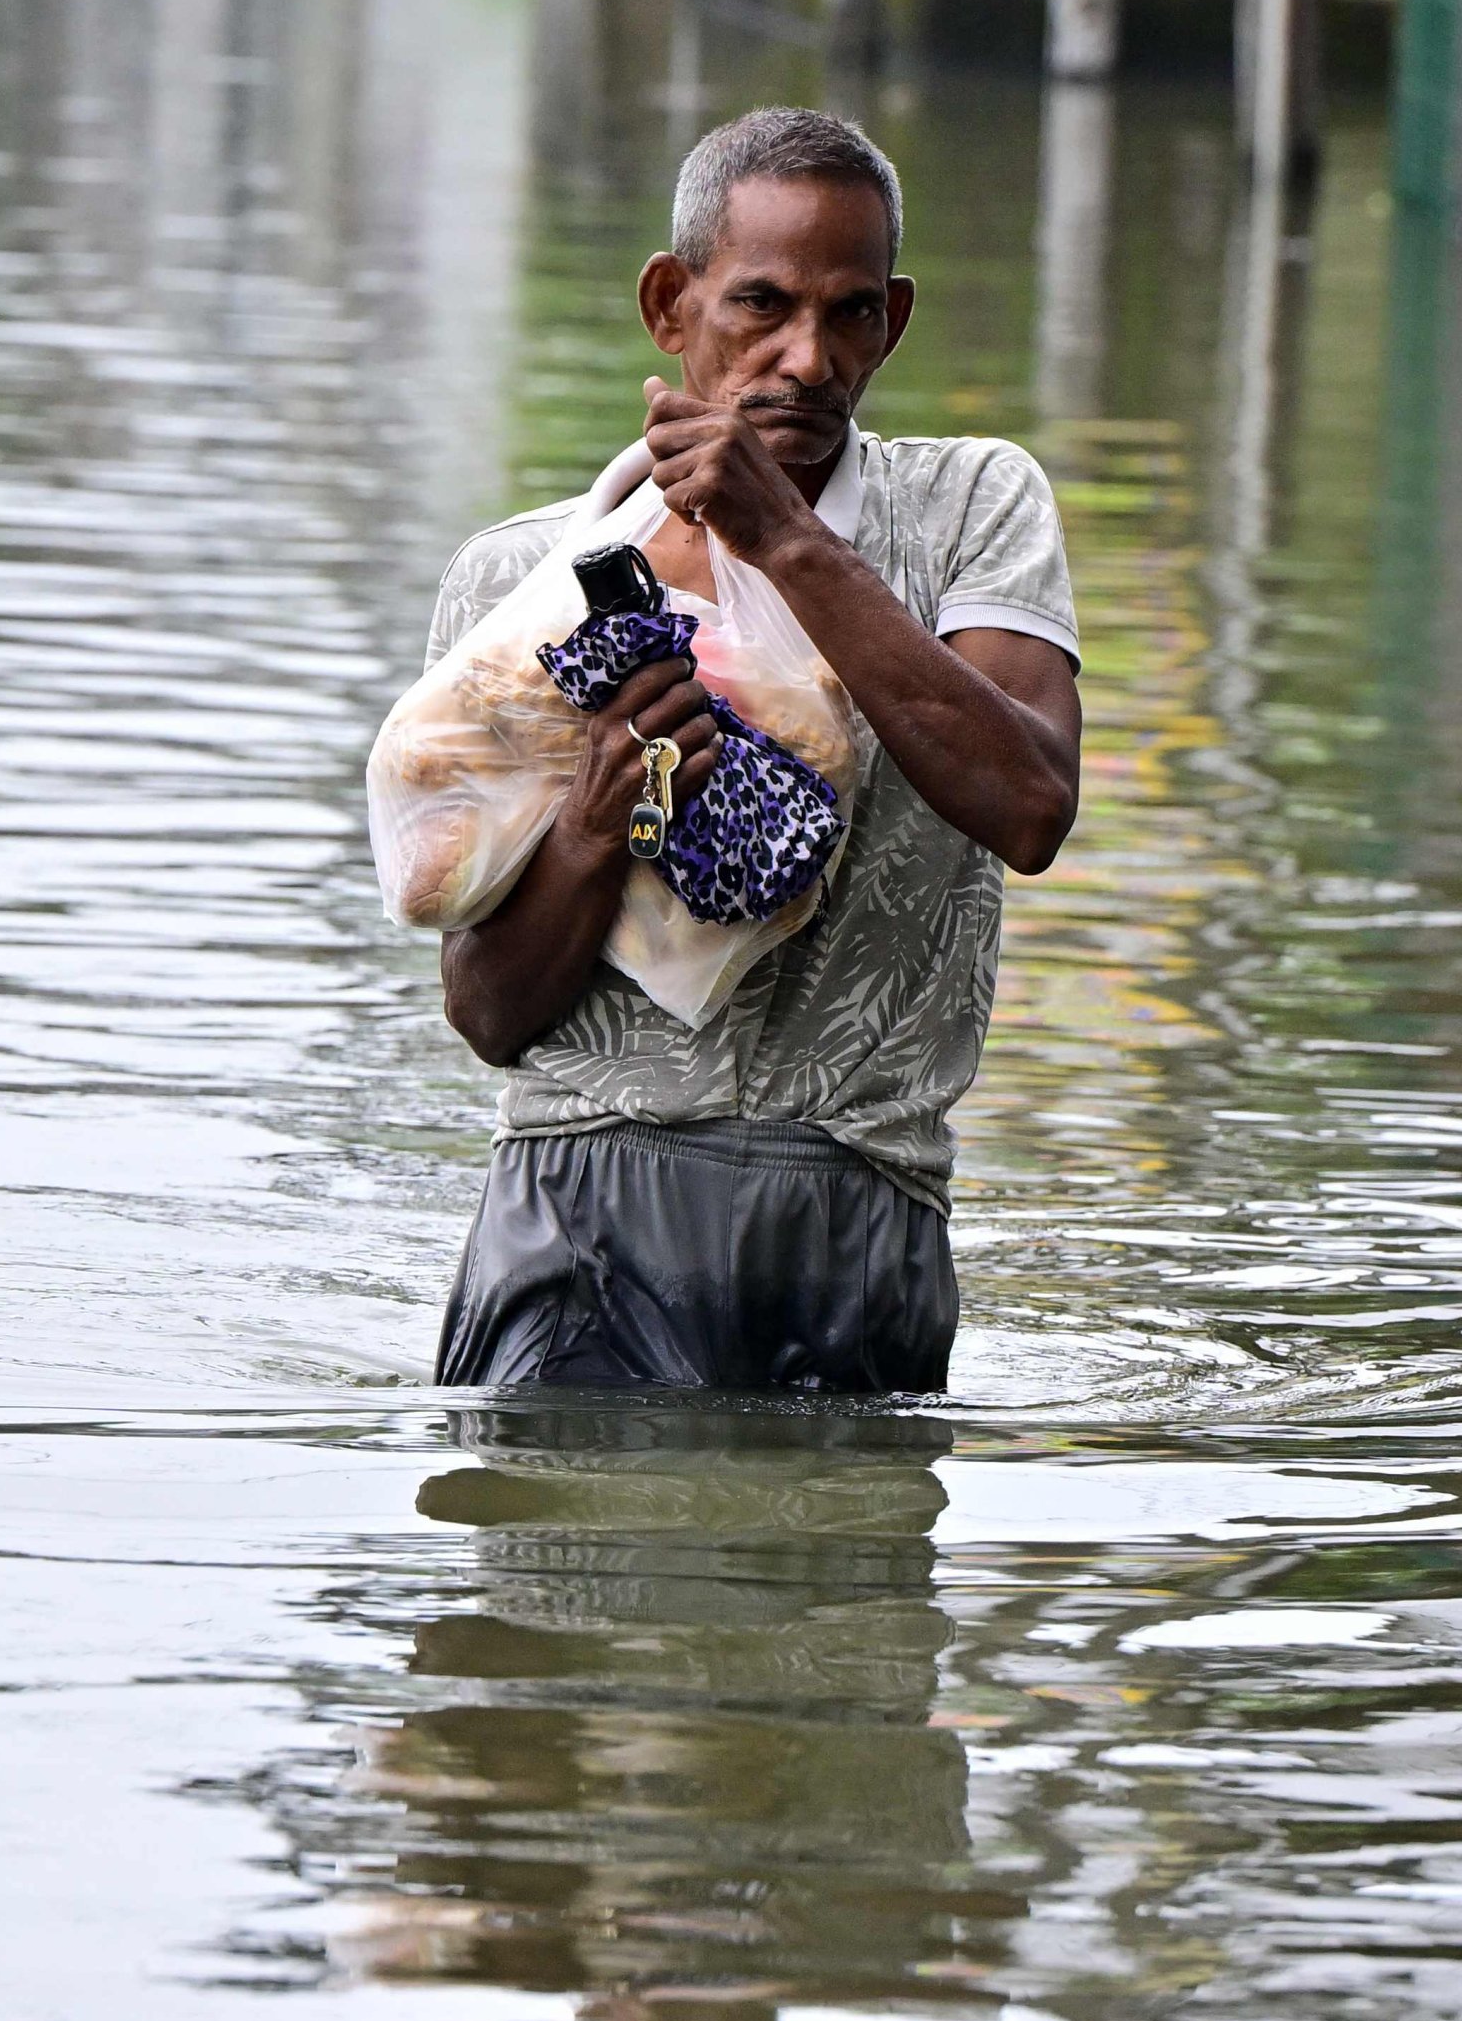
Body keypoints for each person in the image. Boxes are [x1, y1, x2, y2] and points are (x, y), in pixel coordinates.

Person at [416, 108, 1083, 1396]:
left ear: (892, 322)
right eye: (761, 307)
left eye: (848, 317)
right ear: (672, 305)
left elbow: (1030, 804)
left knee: (834, 1590)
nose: (807, 358)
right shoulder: (521, 583)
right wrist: (589, 833)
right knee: (556, 1582)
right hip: (579, 1214)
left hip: (857, 1209)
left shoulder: (972, 509)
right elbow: (489, 1016)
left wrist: (790, 544)